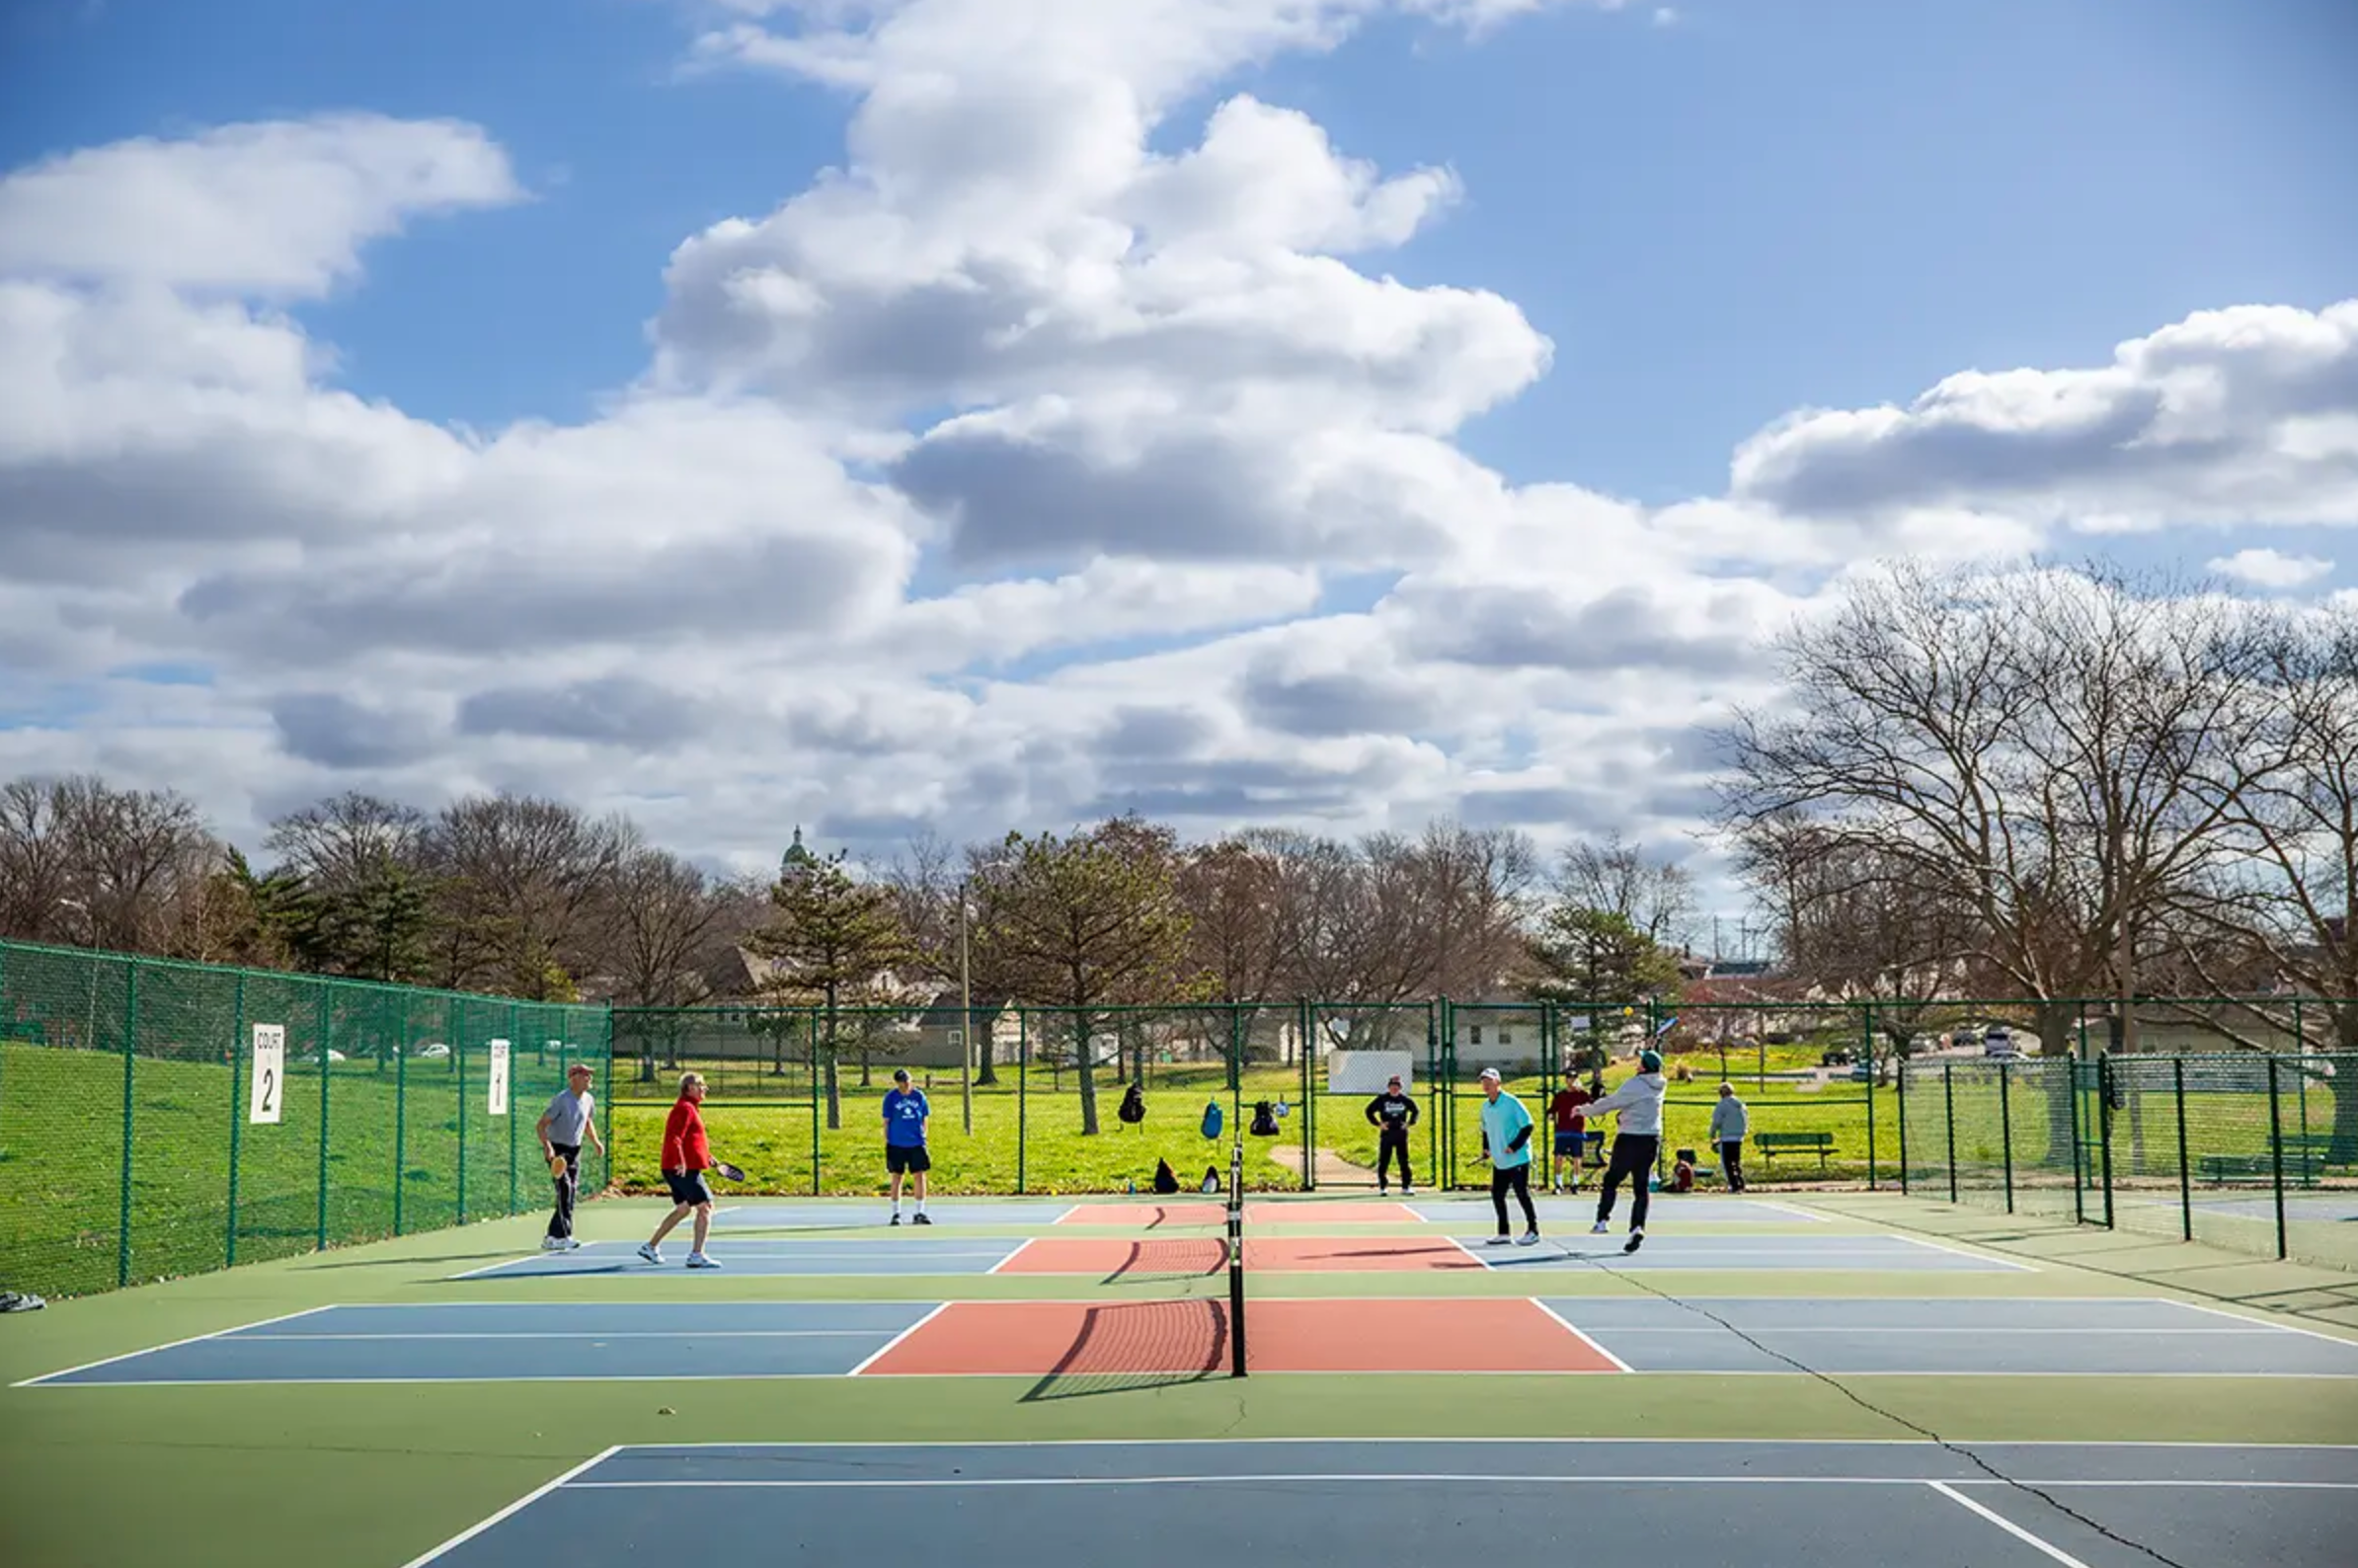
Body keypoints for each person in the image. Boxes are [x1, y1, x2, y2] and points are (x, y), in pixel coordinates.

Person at [1581, 1050, 1668, 1252]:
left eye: (1640, 1062)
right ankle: (1637, 1227)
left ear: (1644, 1067)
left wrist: (1584, 1110)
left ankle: (1602, 1220)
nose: (1636, 1064)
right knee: (1641, 1186)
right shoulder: (1661, 1083)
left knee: (1611, 1180)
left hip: (1629, 1138)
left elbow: (1611, 1102)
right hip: (1651, 1139)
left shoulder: (1635, 1084)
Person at [638, 1072, 721, 1268]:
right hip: (682, 1168)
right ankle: (696, 1255)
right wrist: (680, 1161)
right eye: (701, 1085)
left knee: (683, 1209)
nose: (705, 1089)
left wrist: (707, 1157)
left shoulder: (691, 1108)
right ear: (690, 1088)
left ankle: (650, 1247)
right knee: (705, 1207)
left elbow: (691, 1140)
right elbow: (675, 1137)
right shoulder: (684, 1108)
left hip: (680, 1166)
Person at [535, 1062, 605, 1251]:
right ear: (573, 1078)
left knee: (570, 1192)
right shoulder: (561, 1100)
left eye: (590, 1075)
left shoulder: (589, 1099)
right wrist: (547, 1146)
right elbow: (541, 1125)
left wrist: (596, 1142)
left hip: (575, 1151)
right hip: (557, 1150)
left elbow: (587, 1122)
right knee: (564, 1190)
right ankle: (564, 1235)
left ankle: (552, 1236)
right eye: (585, 1075)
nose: (589, 1079)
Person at [1475, 1067, 1539, 1246]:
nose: (1486, 1084)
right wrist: (1486, 1149)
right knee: (1497, 1194)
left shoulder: (1512, 1102)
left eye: (1489, 1080)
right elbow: (1486, 1130)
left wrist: (1514, 1146)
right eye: (1483, 1081)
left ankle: (1533, 1230)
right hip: (1500, 1160)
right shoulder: (1485, 1106)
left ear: (1498, 1082)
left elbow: (1528, 1126)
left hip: (1518, 1158)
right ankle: (1504, 1233)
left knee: (1521, 1193)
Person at [883, 1066, 931, 1224]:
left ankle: (919, 1212)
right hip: (897, 1143)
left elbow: (924, 1117)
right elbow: (886, 1121)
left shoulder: (919, 1096)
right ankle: (896, 1213)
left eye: (908, 1082)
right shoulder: (891, 1098)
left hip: (916, 1143)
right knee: (897, 1176)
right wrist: (888, 1140)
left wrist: (924, 1134)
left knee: (919, 1175)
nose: (906, 1085)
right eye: (903, 1083)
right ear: (898, 1083)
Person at [1363, 1073, 1419, 1195]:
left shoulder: (1404, 1100)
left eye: (1397, 1086)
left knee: (1403, 1160)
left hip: (1401, 1133)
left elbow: (1415, 1111)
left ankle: (1406, 1186)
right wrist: (1378, 1124)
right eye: (1392, 1086)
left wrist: (1409, 1123)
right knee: (1384, 1160)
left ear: (1400, 1088)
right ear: (1389, 1087)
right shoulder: (1382, 1099)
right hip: (1387, 1134)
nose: (1394, 1088)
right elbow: (1369, 1111)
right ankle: (1383, 1187)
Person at [1547, 1069, 1596, 1193]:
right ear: (1566, 1080)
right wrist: (1550, 1115)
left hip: (1577, 1131)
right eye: (1569, 1078)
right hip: (1562, 1131)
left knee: (1577, 1157)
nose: (1572, 1080)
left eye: (1574, 1078)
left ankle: (1575, 1184)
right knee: (1558, 1156)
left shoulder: (1582, 1094)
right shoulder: (1560, 1095)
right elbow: (1552, 1109)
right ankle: (1559, 1184)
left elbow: (1593, 1105)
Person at [1709, 1082, 1749, 1192]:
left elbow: (1716, 1122)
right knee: (1736, 1162)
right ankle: (1740, 1183)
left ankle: (1734, 1185)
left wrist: (1712, 1135)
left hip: (1726, 1138)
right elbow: (1746, 1120)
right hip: (1738, 1138)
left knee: (1727, 1164)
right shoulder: (1740, 1104)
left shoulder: (1722, 1104)